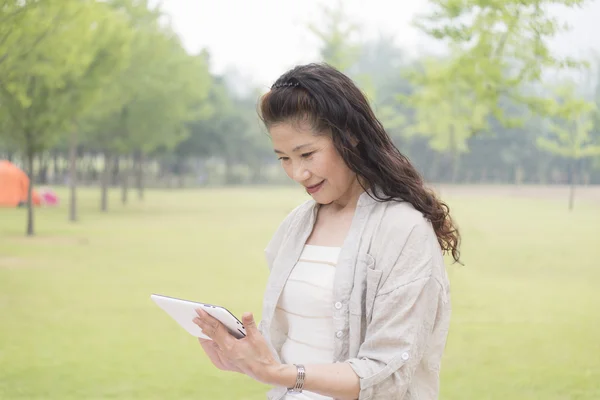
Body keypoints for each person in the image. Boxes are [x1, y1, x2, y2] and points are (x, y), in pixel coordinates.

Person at [192, 63, 461, 400]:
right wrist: (245, 358)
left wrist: (278, 373)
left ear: (349, 137)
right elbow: (295, 343)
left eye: (307, 154)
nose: (298, 173)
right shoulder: (296, 225)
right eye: (284, 159)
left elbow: (387, 372)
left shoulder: (403, 229)